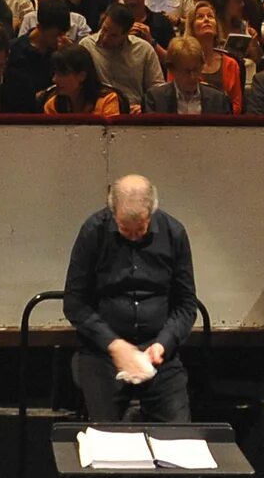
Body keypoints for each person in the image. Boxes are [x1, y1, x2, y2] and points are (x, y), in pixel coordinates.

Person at [62, 175, 198, 424]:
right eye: (126, 229)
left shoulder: (174, 233)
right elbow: (74, 303)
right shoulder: (93, 232)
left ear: (152, 212)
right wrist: (115, 345)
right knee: (107, 441)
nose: (134, 237)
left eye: (141, 229)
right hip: (103, 354)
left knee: (178, 435)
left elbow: (186, 305)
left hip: (159, 354)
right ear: (112, 212)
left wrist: (163, 344)